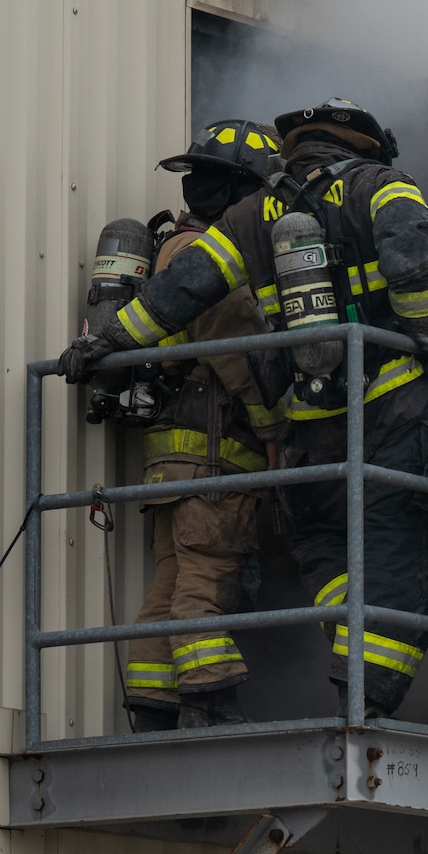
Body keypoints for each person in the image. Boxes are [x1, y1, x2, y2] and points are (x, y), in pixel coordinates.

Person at [61, 98, 428, 720]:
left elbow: (182, 288)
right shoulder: (381, 185)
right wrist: (425, 327)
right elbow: (409, 246)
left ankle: (344, 686)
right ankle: (366, 699)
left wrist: (106, 340)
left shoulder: (254, 213)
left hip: (314, 428)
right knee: (392, 556)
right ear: (367, 145)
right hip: (390, 416)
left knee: (324, 548)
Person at [113, 120, 291, 730]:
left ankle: (154, 701)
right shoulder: (204, 258)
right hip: (218, 454)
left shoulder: (174, 246)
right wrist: (272, 430)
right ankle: (209, 703)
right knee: (210, 577)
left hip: (173, 457)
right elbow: (237, 350)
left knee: (172, 580)